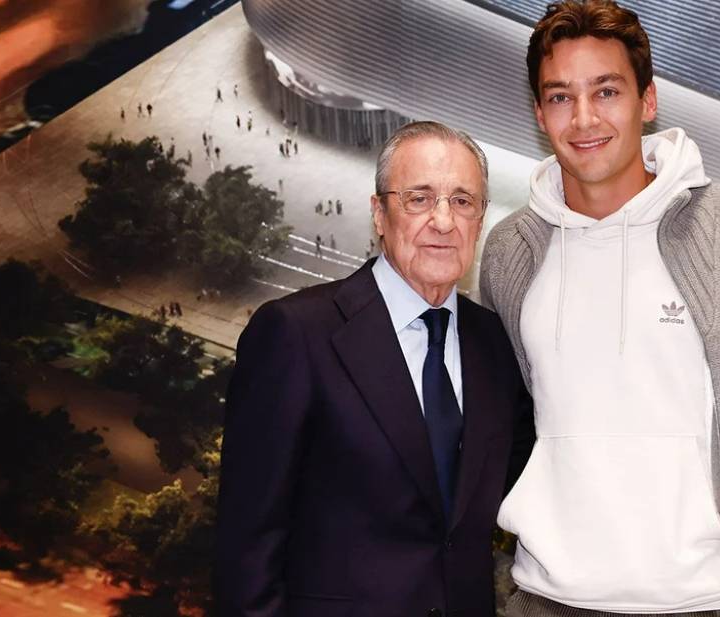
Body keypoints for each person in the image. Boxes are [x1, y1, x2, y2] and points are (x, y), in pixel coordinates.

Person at [480, 2, 720, 616]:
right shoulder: (509, 253)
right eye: (561, 97)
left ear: (648, 100)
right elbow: (506, 427)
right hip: (548, 599)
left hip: (714, 601)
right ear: (540, 115)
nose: (584, 118)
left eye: (606, 91)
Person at [215, 122, 534, 616]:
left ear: (480, 219)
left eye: (463, 201)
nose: (444, 221)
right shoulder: (296, 334)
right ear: (379, 214)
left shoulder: (496, 345)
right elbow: (247, 545)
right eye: (419, 199)